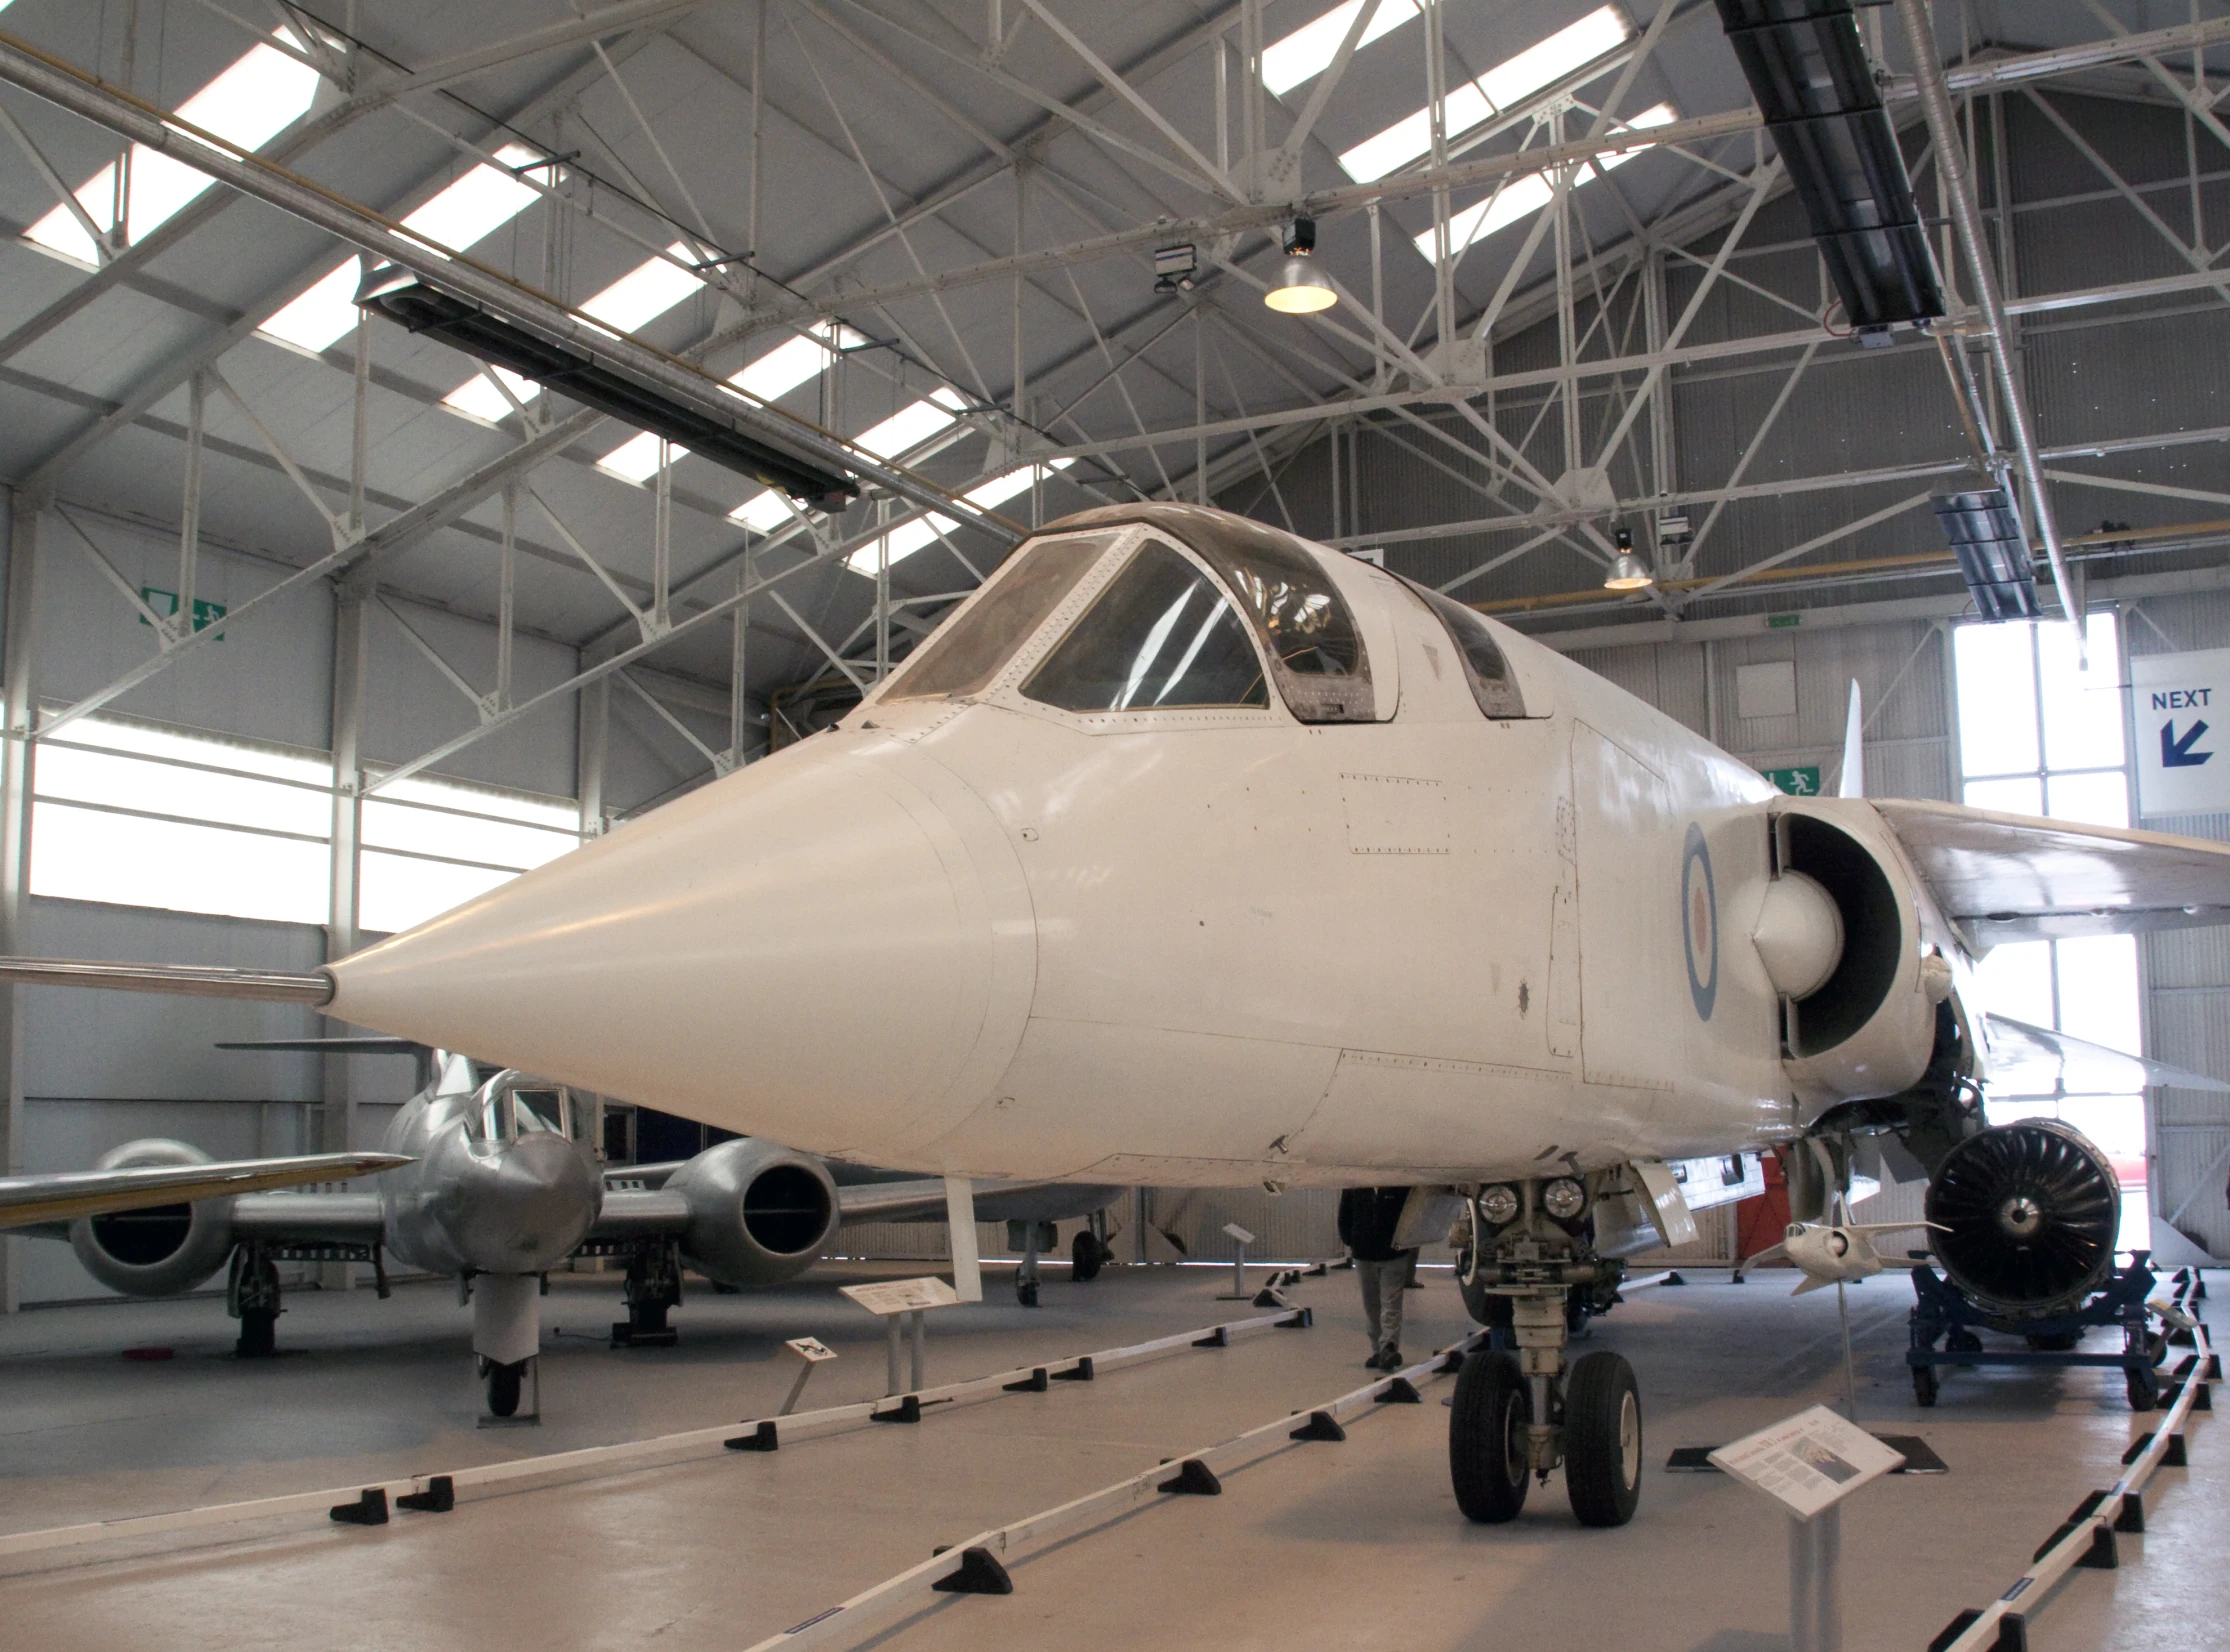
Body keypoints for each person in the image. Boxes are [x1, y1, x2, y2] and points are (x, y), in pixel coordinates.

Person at [1338, 1186, 1418, 1370]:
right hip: (1363, 1252)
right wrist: (1351, 1240)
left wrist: (1405, 1242)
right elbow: (1345, 1214)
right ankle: (1377, 1350)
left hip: (1393, 1253)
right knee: (1371, 1303)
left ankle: (1389, 1346)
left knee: (1392, 1301)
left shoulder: (1399, 1187)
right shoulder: (1355, 1186)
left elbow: (1410, 1215)